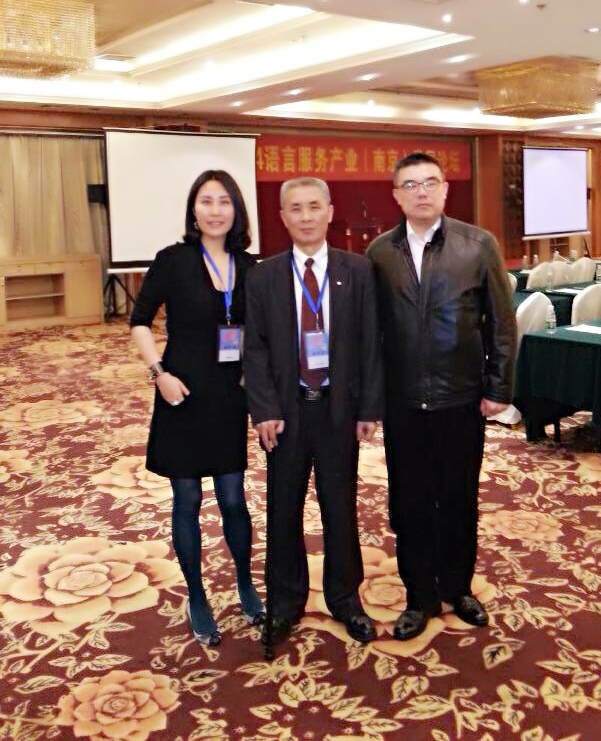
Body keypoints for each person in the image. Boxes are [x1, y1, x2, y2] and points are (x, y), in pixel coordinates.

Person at [367, 152, 516, 641]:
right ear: (396, 195)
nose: (422, 192)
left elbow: (501, 322)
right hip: (404, 402)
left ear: (445, 189)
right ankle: (420, 596)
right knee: (409, 502)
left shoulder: (478, 245)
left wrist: (498, 386)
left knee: (458, 498)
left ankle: (458, 587)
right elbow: (372, 334)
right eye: (410, 185)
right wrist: (371, 399)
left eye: (430, 182)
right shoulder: (380, 253)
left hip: (461, 398)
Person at [244, 177, 383, 644]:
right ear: (282, 216)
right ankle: (285, 603)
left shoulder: (357, 270)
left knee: (340, 507)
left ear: (329, 211)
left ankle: (346, 599)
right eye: (296, 209)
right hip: (285, 415)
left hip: (338, 411)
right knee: (283, 508)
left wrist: (368, 408)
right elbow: (254, 349)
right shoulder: (263, 276)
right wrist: (264, 409)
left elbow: (370, 343)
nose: (305, 217)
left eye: (313, 207)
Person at [130, 169, 264, 646]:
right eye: (206, 201)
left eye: (224, 201)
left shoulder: (250, 266)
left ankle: (245, 584)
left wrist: (254, 371)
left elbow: (260, 330)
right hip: (181, 392)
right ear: (193, 209)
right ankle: (198, 595)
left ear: (236, 210)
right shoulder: (173, 261)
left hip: (229, 396)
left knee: (233, 498)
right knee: (187, 500)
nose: (215, 210)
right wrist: (158, 373)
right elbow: (139, 321)